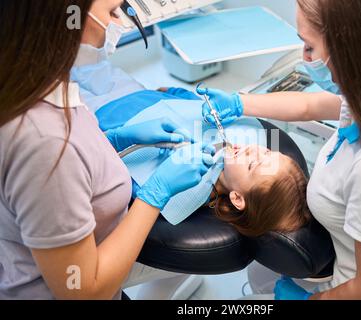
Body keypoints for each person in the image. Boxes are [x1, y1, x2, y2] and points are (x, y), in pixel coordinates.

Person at [201, 0, 361, 299]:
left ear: (350, 53)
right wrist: (240, 102)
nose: (305, 59)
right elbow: (310, 104)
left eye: (309, 47)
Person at [0, 0, 215, 299]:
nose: (120, 24)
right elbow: (83, 291)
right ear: (67, 18)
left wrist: (114, 139)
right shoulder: (45, 145)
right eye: (113, 12)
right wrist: (156, 193)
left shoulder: (43, 84)